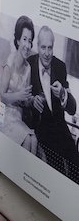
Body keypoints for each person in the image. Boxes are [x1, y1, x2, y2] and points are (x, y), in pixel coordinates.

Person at [24, 26, 79, 178]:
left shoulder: (60, 67)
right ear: (37, 46)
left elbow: (73, 109)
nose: (47, 53)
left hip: (60, 128)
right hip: (40, 129)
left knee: (76, 165)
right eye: (43, 48)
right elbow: (21, 99)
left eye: (50, 48)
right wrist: (31, 101)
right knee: (57, 170)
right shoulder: (29, 64)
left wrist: (63, 93)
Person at [0, 16, 38, 155]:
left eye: (30, 41)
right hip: (6, 117)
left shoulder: (28, 68)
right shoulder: (10, 61)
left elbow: (25, 101)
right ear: (18, 40)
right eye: (25, 39)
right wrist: (18, 96)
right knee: (27, 139)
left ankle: (23, 175)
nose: (27, 45)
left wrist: (30, 100)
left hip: (18, 118)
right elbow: (1, 96)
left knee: (34, 139)